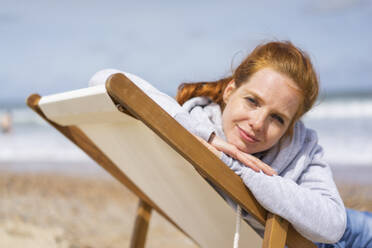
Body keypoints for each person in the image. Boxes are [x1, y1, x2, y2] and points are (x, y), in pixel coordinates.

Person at [89, 41, 371, 247]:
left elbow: (334, 225)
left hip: (348, 233)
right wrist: (207, 141)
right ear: (229, 91)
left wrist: (234, 166)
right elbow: (104, 79)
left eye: (278, 118)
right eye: (253, 101)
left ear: (290, 127)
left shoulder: (301, 149)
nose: (258, 123)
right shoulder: (194, 123)